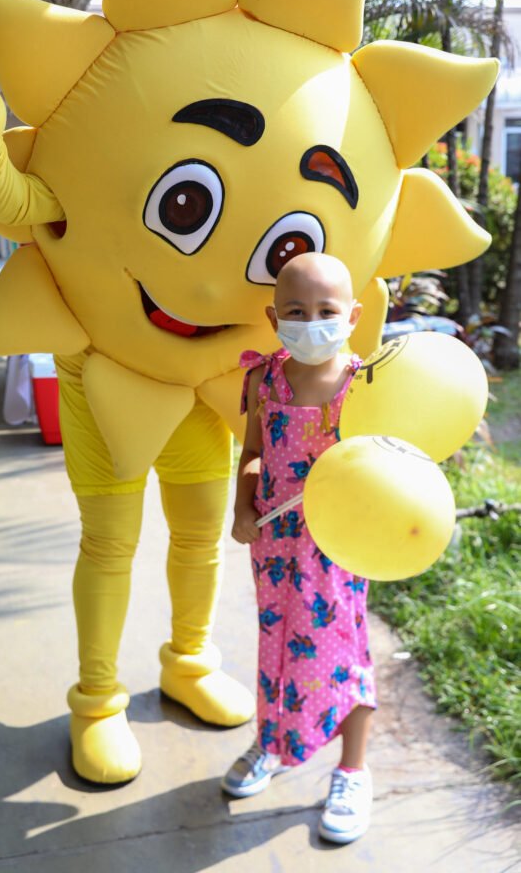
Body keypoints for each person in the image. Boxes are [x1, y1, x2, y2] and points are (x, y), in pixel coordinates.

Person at [222, 251, 377, 846]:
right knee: (276, 641)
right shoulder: (265, 378)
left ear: (353, 315)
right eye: (296, 310)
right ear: (274, 315)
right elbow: (253, 455)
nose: (312, 320)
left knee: (346, 647)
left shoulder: (363, 382)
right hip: (275, 541)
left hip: (339, 542)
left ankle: (352, 769)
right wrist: (242, 507)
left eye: (326, 310)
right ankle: (272, 742)